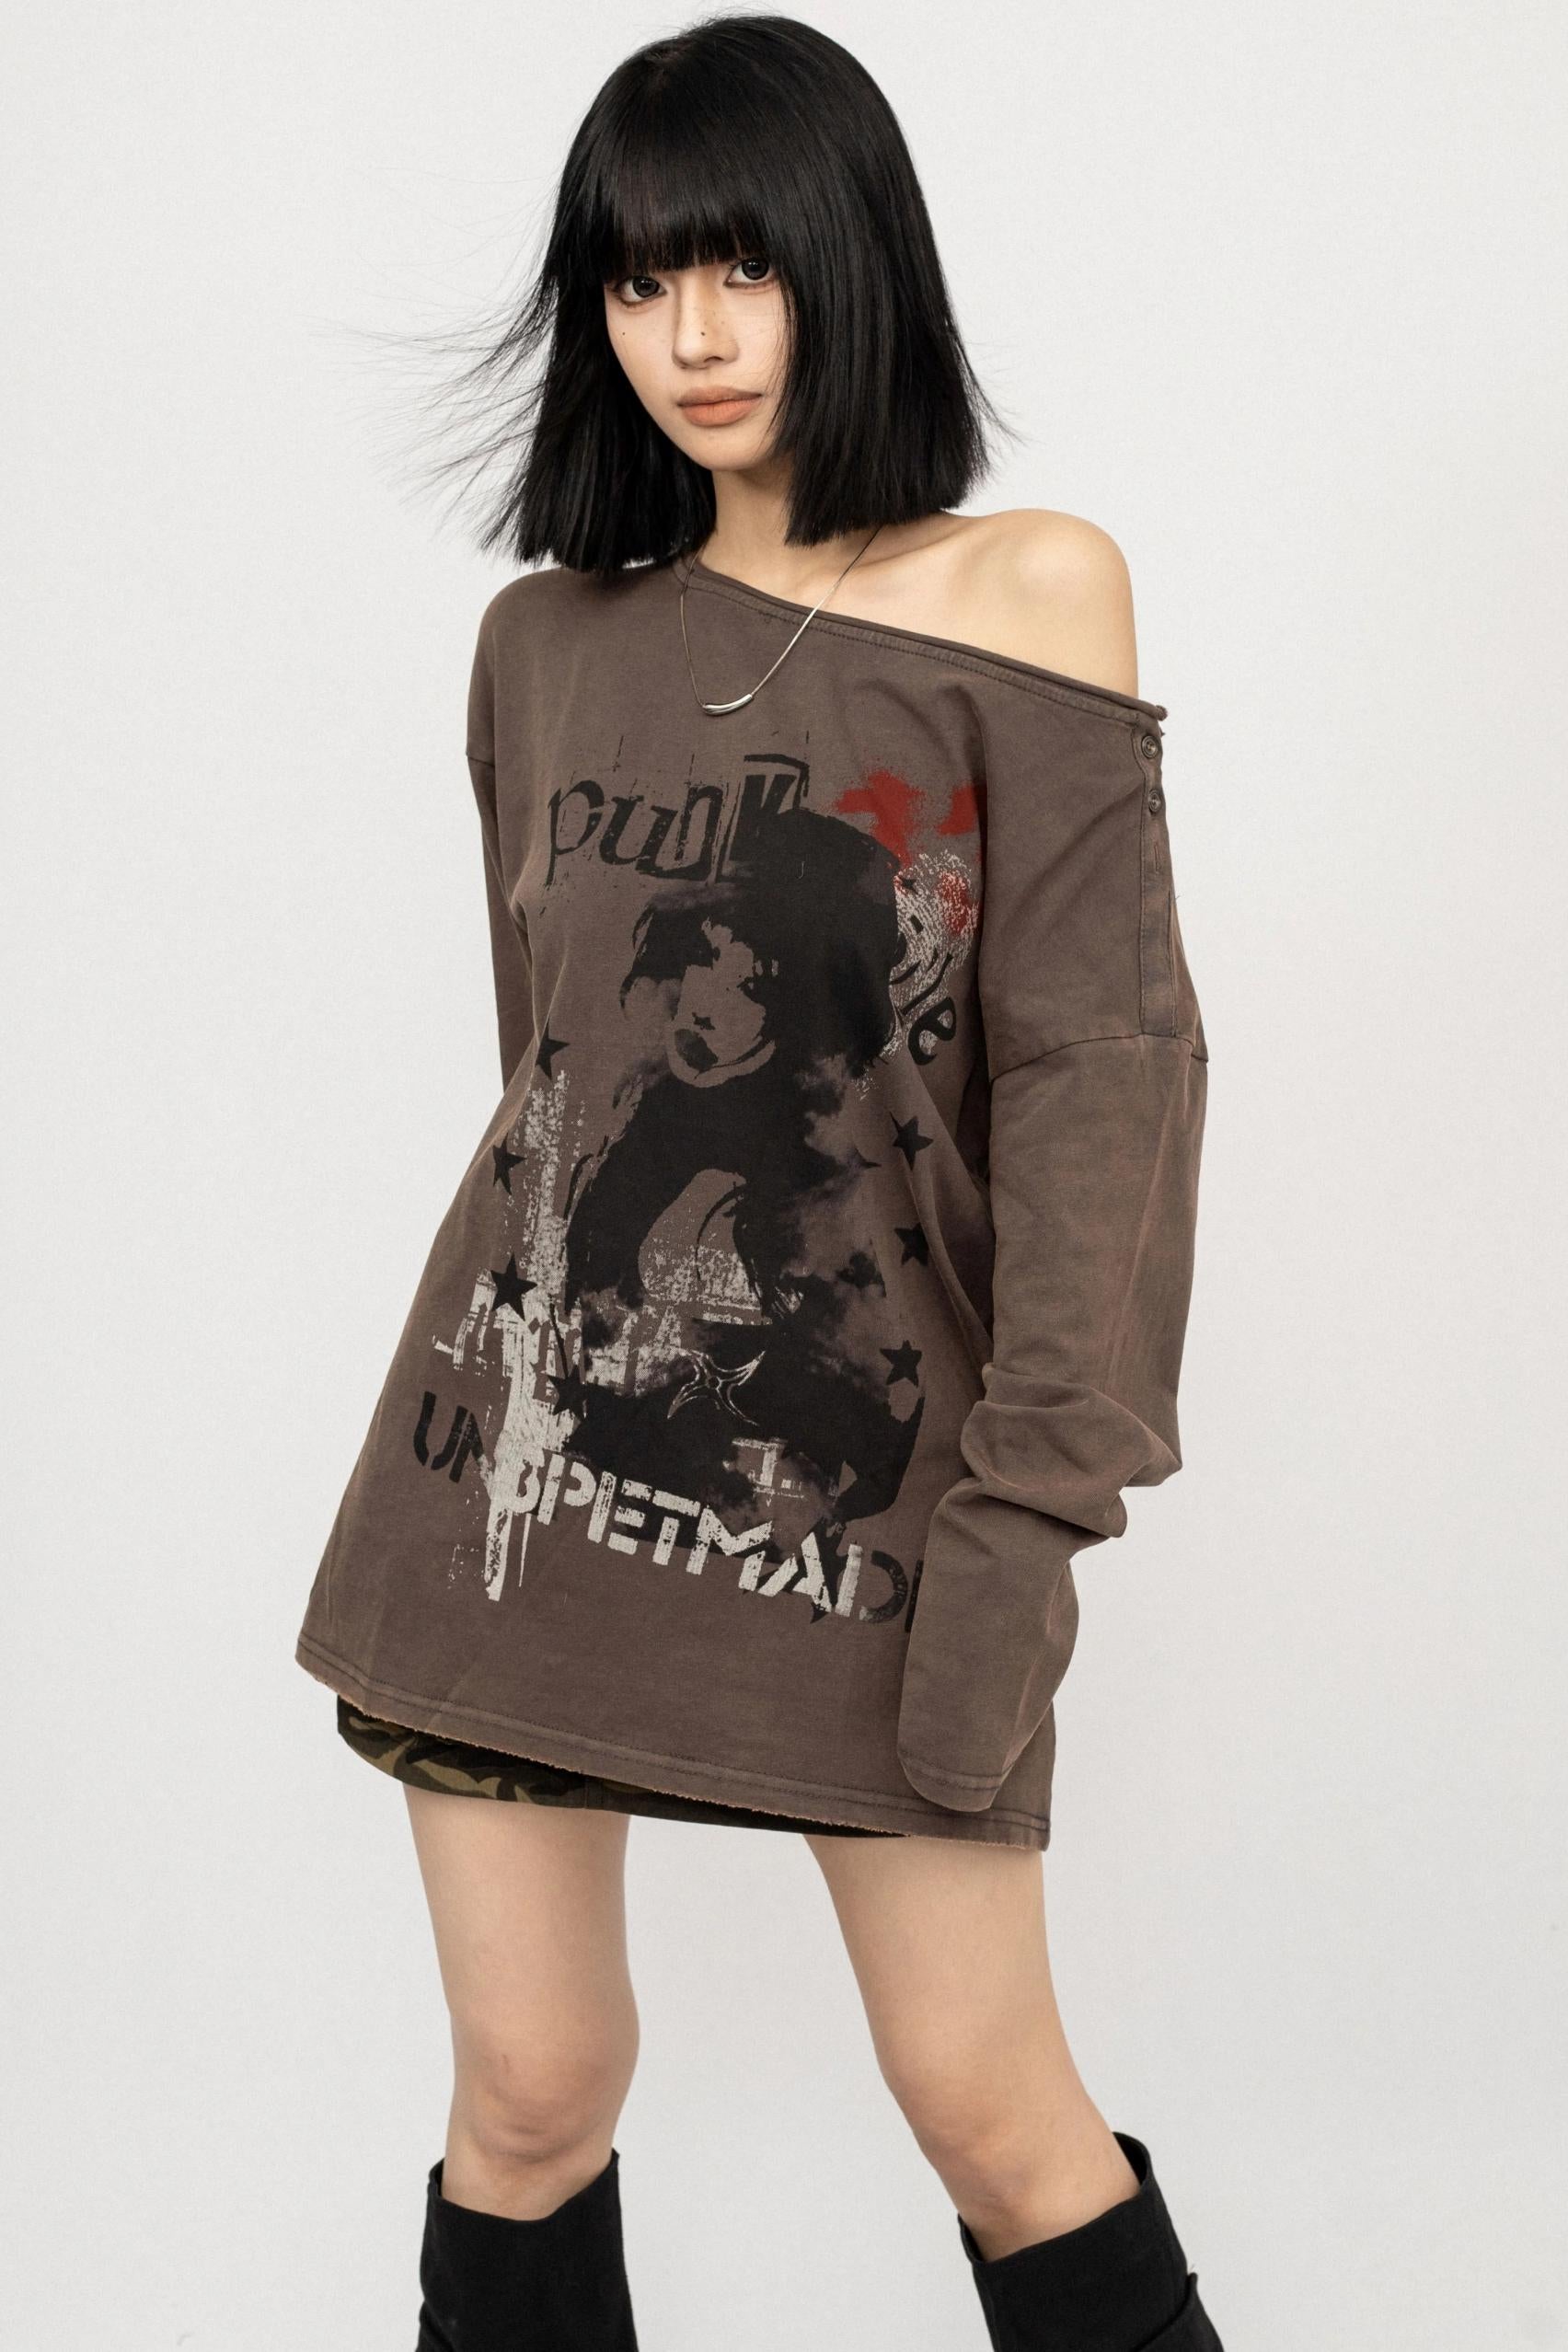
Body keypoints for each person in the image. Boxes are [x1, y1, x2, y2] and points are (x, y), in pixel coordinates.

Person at [293, 15, 1222, 2347]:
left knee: (994, 2116)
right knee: (530, 2094)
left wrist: (1036, 1511)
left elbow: (1108, 1081)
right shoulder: (543, 644)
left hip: (869, 1497)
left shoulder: (1032, 592)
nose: (693, 336)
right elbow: (553, 1083)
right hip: (508, 1480)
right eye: (637, 282)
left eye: (743, 268)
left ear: (849, 262)